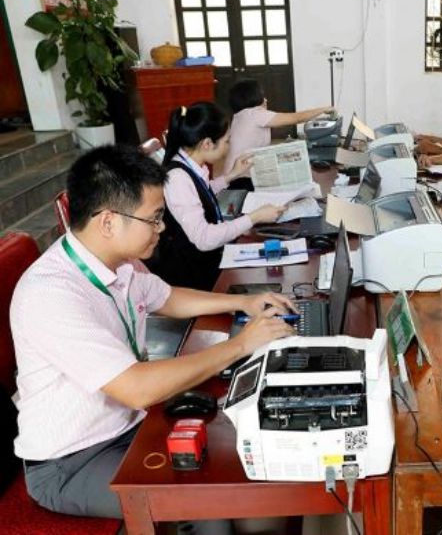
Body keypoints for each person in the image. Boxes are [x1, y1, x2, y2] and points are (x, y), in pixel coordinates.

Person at [11, 145, 296, 519]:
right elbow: (137, 388)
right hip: (71, 461)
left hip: (128, 424)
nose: (161, 229)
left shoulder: (119, 261)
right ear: (109, 222)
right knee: (203, 494)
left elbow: (168, 298)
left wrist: (242, 304)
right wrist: (242, 344)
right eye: (154, 218)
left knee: (232, 445)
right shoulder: (51, 294)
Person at [146, 102, 286, 291]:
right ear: (207, 144)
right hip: (192, 277)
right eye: (227, 141)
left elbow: (199, 194)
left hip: (205, 262)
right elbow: (204, 239)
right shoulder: (178, 177)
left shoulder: (189, 164)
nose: (229, 146)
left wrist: (231, 175)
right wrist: (254, 217)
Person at [223, 78, 334, 189]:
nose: (266, 100)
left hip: (235, 177)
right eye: (262, 96)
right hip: (240, 181)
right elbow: (296, 118)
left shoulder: (241, 116)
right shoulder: (254, 114)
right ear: (253, 97)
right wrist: (324, 110)